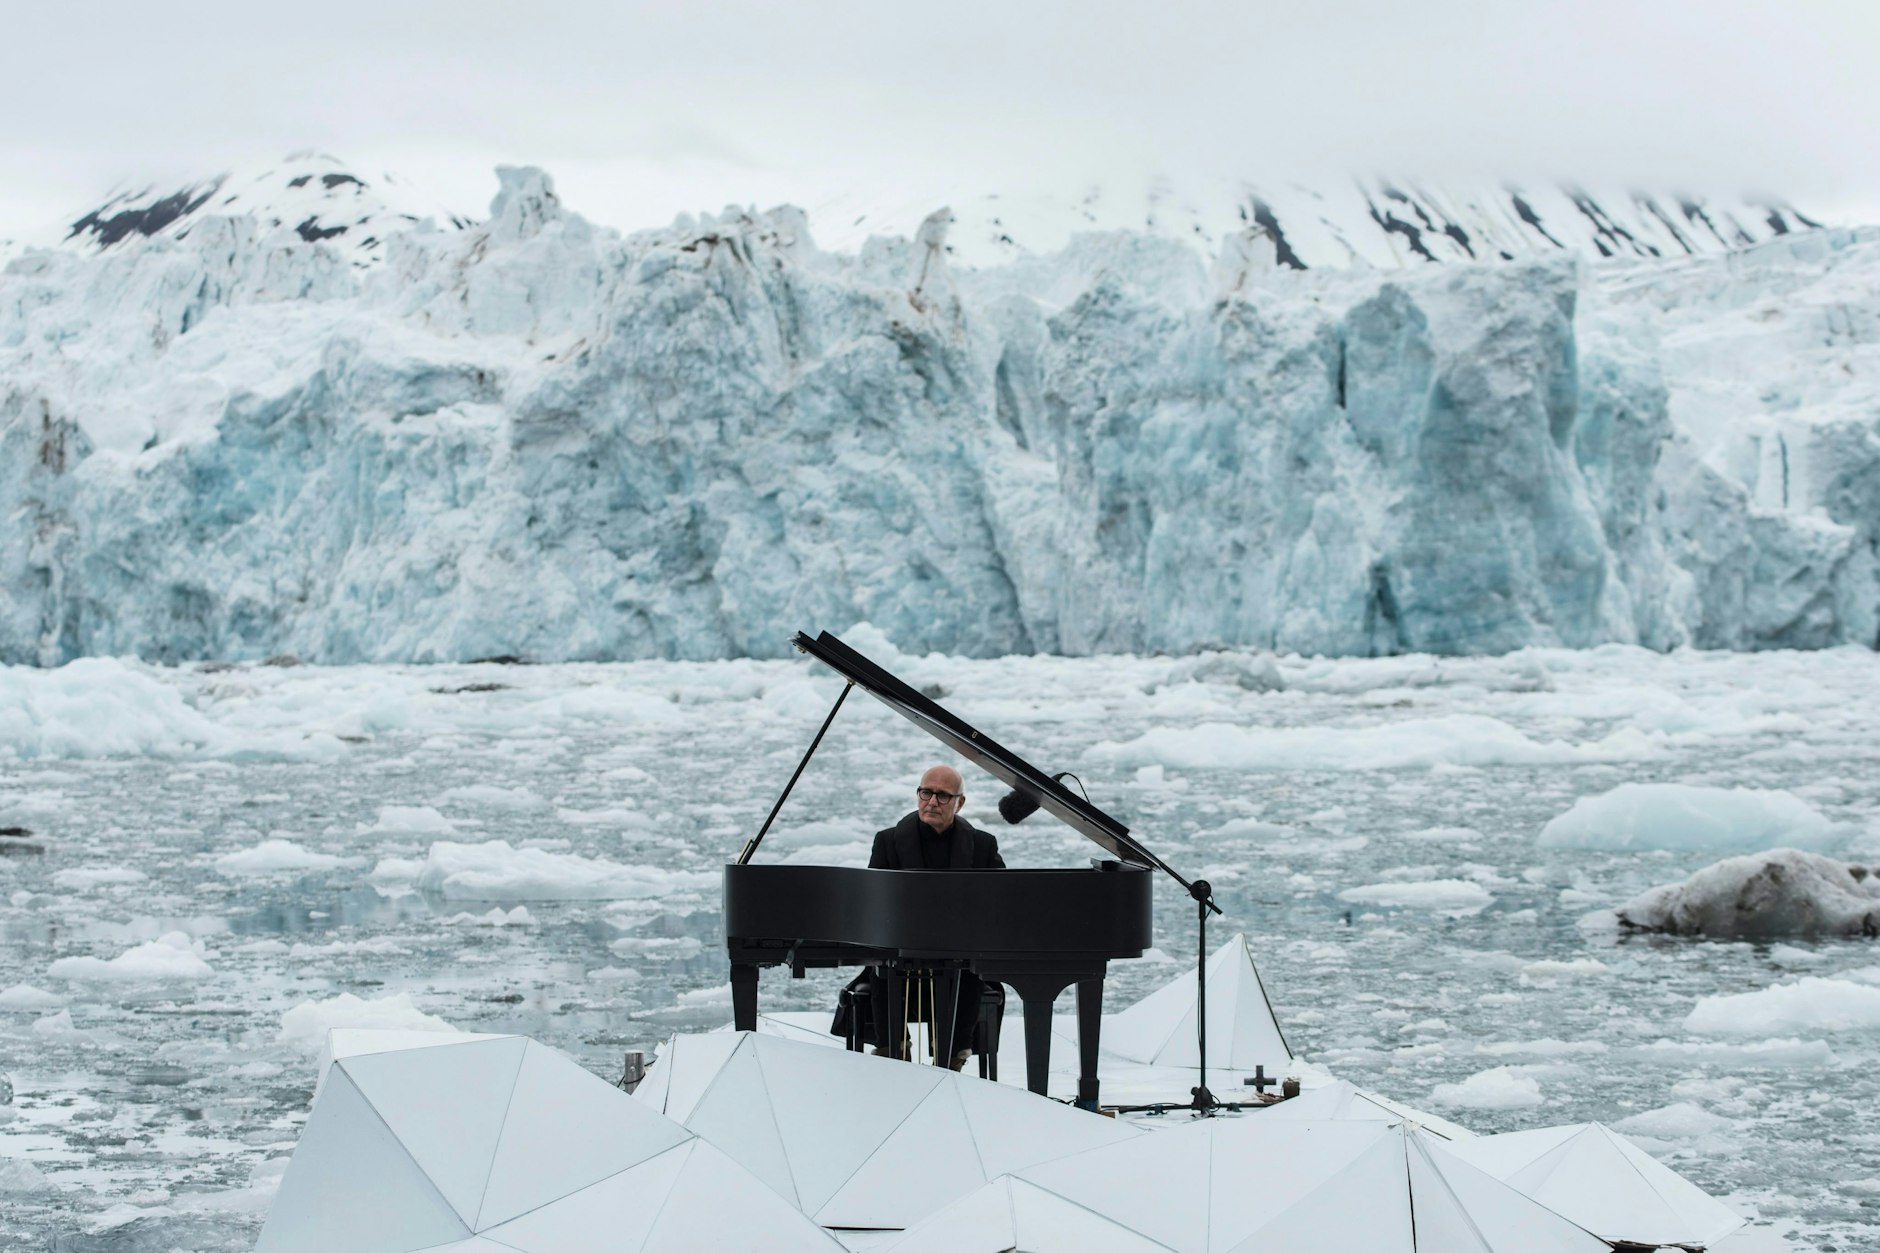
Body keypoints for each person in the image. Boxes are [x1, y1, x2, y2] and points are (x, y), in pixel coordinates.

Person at [854, 765, 1004, 1070]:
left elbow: (1000, 904)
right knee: (882, 971)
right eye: (926, 793)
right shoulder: (887, 841)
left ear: (960, 803)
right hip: (900, 961)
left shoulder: (983, 845)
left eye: (943, 795)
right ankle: (894, 1055)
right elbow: (873, 907)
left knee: (971, 973)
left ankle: (953, 1059)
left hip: (959, 962)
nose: (932, 802)